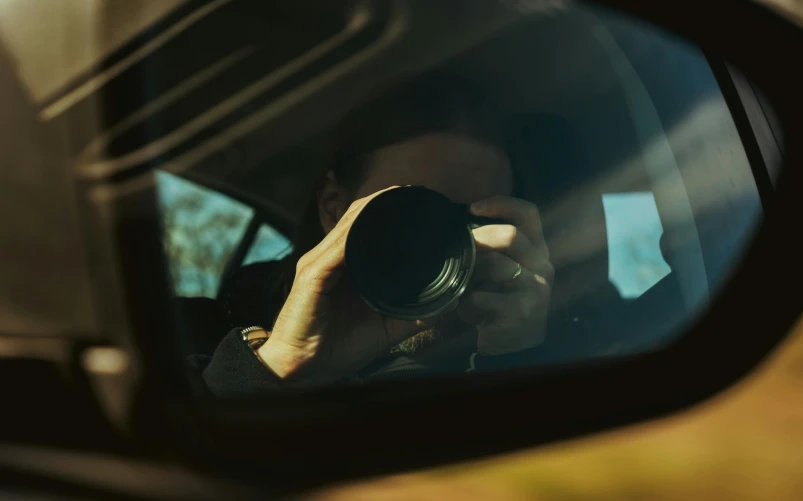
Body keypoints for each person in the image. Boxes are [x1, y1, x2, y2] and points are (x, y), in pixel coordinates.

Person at [186, 72, 555, 395]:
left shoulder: (494, 348)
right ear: (333, 206)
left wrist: (515, 357)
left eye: (475, 220)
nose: (443, 244)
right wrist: (275, 369)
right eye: (414, 213)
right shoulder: (185, 333)